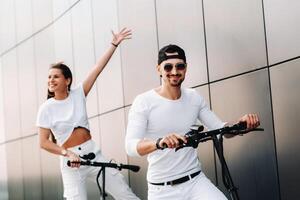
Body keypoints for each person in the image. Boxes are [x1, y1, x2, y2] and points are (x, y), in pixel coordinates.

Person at [125, 44, 260, 200]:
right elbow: (130, 146)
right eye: (168, 67)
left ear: (186, 68)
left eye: (179, 66)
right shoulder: (144, 102)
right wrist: (159, 142)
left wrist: (241, 125)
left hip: (195, 181)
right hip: (162, 189)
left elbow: (221, 129)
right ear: (159, 69)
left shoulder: (193, 97)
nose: (174, 72)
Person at [36, 28, 140, 200]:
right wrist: (67, 153)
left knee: (126, 196)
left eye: (56, 77)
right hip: (71, 162)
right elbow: (43, 143)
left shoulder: (78, 94)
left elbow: (97, 68)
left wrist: (113, 45)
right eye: (49, 77)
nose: (51, 80)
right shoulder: (46, 108)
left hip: (94, 153)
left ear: (67, 80)